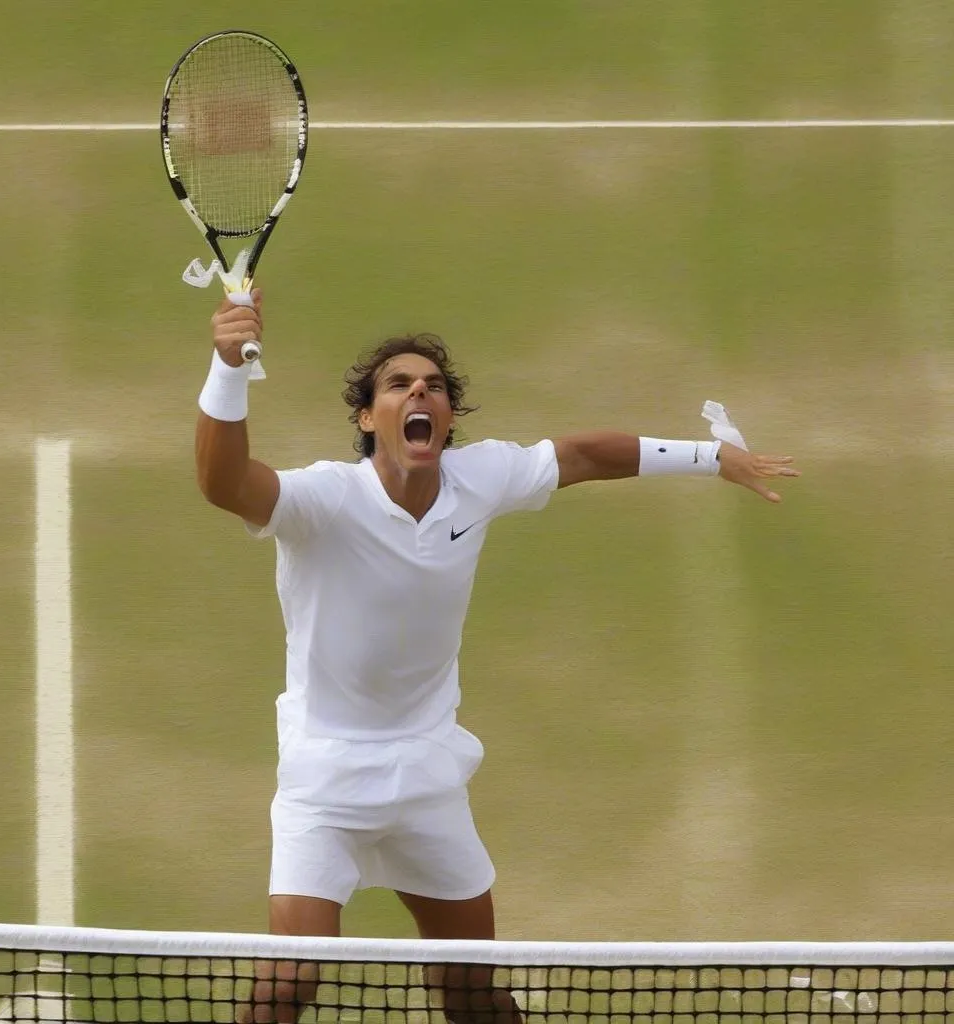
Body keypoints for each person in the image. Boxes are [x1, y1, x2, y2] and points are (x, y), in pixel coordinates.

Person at [194, 290, 800, 1022]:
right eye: (398, 384)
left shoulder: (479, 478)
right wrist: (228, 367)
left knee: (472, 993)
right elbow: (223, 483)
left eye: (436, 386)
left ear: (446, 420)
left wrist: (711, 457)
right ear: (366, 418)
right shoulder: (324, 500)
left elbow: (580, 456)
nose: (421, 390)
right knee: (286, 987)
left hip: (427, 778)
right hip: (326, 782)